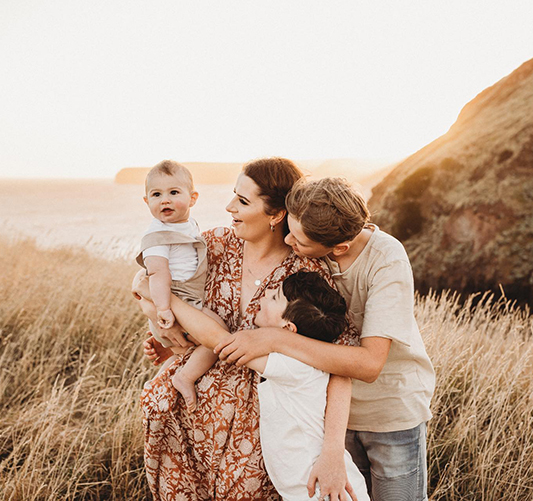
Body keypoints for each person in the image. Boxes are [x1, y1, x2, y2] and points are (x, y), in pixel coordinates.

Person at [138, 159, 360, 501]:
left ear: (275, 215)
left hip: (260, 439)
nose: (229, 208)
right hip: (188, 418)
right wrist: (171, 339)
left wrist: (332, 452)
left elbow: (337, 367)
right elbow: (147, 280)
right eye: (232, 197)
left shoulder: (306, 273)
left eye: (243, 202)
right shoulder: (210, 246)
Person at [215, 177, 436, 501]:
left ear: (340, 247)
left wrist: (275, 340)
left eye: (299, 240)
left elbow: (369, 364)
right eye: (289, 228)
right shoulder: (310, 253)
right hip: (330, 415)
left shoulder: (386, 259)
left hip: (390, 414)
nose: (288, 240)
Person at [140, 270, 370, 501]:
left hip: (325, 490)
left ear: (288, 330)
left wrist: (164, 299)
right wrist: (174, 349)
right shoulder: (306, 360)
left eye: (275, 297)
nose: (267, 292)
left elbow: (219, 340)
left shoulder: (293, 364)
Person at [132, 159, 227, 412]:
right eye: (156, 194)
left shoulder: (189, 225)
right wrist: (164, 310)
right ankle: (184, 378)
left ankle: (171, 377)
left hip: (186, 298)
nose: (165, 200)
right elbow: (157, 272)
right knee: (217, 335)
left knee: (189, 348)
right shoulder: (157, 237)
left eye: (174, 193)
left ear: (193, 198)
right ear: (146, 202)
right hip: (174, 300)